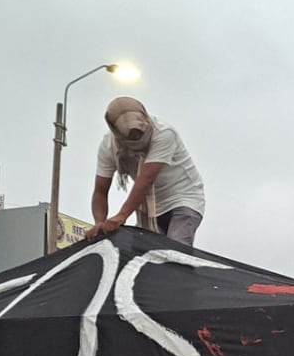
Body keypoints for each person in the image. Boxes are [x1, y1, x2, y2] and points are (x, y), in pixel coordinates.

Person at [87, 96, 206, 247]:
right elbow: (100, 191)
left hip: (183, 197)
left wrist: (122, 215)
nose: (136, 139)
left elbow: (146, 179)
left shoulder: (163, 133)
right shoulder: (109, 147)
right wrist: (99, 223)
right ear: (115, 131)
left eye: (139, 133)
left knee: (175, 251)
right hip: (149, 209)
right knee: (144, 253)